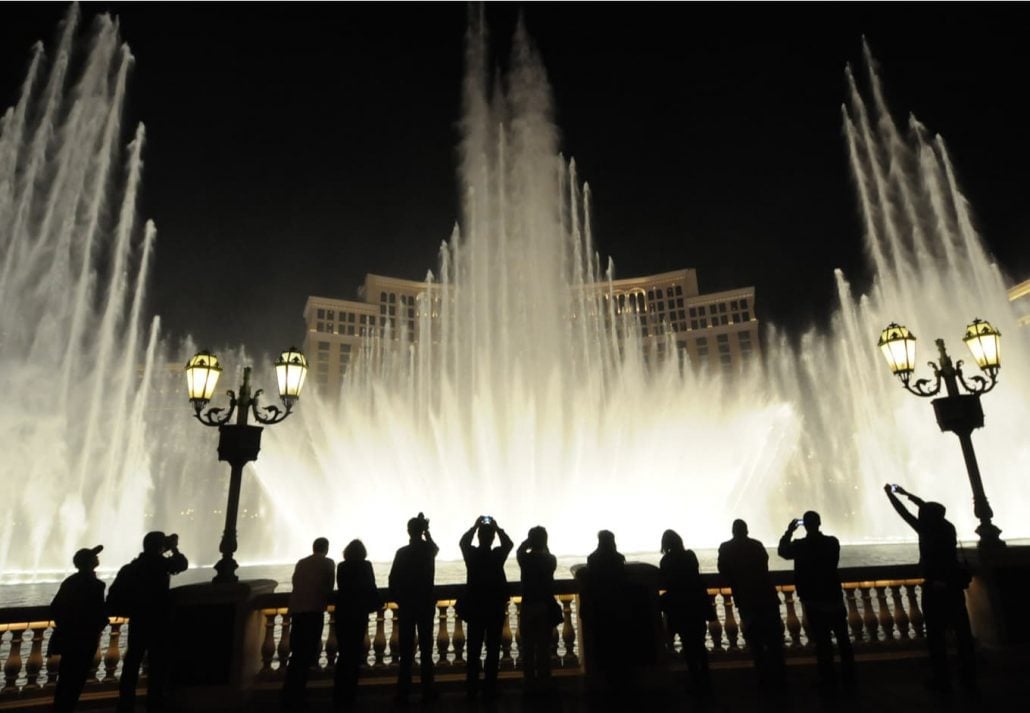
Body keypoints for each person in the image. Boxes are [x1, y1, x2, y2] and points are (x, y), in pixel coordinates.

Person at [884, 484, 976, 693]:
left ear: (927, 516)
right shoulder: (947, 527)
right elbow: (927, 507)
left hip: (935, 590)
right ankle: (968, 675)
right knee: (962, 634)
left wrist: (891, 495)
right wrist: (908, 494)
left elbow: (904, 513)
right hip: (954, 588)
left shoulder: (926, 529)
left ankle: (941, 678)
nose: (920, 513)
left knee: (936, 637)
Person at [778, 511, 855, 690]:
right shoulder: (832, 542)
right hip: (834, 599)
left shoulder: (800, 546)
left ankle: (828, 680)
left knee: (822, 643)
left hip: (813, 602)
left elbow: (782, 551)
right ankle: (850, 676)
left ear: (804, 525)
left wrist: (789, 531)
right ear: (819, 523)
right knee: (844, 641)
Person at [115, 531, 188, 713]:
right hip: (159, 622)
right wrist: (174, 548)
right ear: (159, 547)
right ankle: (155, 704)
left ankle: (125, 704)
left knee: (132, 664)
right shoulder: (160, 564)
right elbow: (181, 564)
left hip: (138, 621)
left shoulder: (133, 567)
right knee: (158, 666)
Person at [717, 519, 785, 688]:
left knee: (755, 642)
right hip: (767, 598)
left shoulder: (726, 548)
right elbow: (764, 566)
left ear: (733, 531)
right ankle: (780, 679)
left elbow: (723, 570)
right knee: (774, 641)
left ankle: (763, 679)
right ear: (747, 530)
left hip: (746, 600)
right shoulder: (757, 545)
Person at [459, 516, 513, 699]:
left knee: (473, 651)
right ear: (492, 539)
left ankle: (471, 688)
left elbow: (463, 542)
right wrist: (497, 528)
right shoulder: (497, 555)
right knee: (493, 650)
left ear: (479, 537)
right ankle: (490, 688)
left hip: (475, 608)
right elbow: (509, 544)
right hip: (495, 609)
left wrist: (474, 526)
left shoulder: (472, 555)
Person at [49, 545, 108, 713]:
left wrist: (66, 626)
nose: (98, 558)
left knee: (66, 679)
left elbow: (55, 608)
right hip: (85, 640)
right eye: (94, 556)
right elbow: (98, 613)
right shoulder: (96, 585)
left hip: (69, 638)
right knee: (76, 681)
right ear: (90, 562)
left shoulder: (70, 582)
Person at [388, 512, 439, 703]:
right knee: (426, 649)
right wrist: (427, 531)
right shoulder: (428, 550)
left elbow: (392, 580)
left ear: (408, 531)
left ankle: (403, 691)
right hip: (425, 605)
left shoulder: (402, 553)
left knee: (406, 650)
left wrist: (401, 600)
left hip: (407, 606)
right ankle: (428, 689)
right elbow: (435, 547)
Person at [281, 537, 334, 711]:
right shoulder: (328, 563)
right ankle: (299, 694)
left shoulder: (301, 563)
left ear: (313, 548)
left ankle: (289, 693)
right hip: (314, 611)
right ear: (326, 549)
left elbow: (296, 583)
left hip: (298, 611)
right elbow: (329, 587)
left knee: (296, 654)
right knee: (309, 652)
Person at [659, 530, 715, 696]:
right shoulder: (690, 555)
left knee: (688, 646)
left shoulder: (666, 561)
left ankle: (695, 681)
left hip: (680, 608)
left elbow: (667, 581)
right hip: (696, 605)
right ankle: (706, 681)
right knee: (699, 644)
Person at [332, 539, 381, 710]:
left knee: (343, 653)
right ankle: (350, 694)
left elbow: (341, 587)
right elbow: (370, 586)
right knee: (354, 653)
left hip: (342, 613)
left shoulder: (341, 566)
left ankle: (338, 694)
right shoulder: (365, 566)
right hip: (358, 614)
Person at [517, 526, 558, 690]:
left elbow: (520, 551)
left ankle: (529, 683)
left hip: (528, 607)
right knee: (544, 648)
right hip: (545, 606)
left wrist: (527, 542)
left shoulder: (525, 560)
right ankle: (544, 682)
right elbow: (547, 556)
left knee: (527, 648)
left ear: (530, 541)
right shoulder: (551, 560)